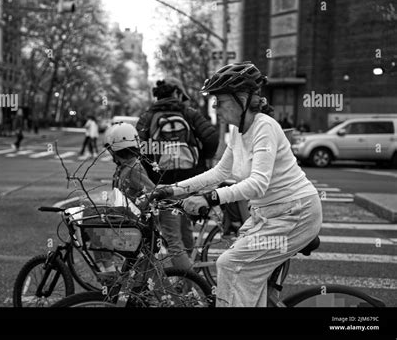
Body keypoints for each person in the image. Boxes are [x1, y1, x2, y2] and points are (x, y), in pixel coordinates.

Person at [151, 62, 322, 307]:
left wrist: (209, 198)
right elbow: (220, 172)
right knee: (245, 278)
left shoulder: (265, 127)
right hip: (268, 215)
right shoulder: (238, 132)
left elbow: (258, 184)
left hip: (296, 213)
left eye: (219, 101)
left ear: (241, 99)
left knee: (230, 264)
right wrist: (173, 189)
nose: (214, 107)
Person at [136, 77, 219, 271]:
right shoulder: (188, 113)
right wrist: (202, 161)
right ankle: (192, 281)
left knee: (172, 237)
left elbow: (138, 149)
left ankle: (189, 284)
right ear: (176, 93)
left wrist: (150, 172)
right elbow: (212, 137)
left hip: (162, 182)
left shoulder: (148, 117)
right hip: (189, 179)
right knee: (184, 226)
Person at [95, 122, 155, 272]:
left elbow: (151, 192)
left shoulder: (133, 169)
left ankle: (110, 277)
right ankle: (111, 276)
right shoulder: (124, 167)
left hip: (133, 227)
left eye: (109, 149)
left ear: (116, 149)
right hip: (125, 222)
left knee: (98, 235)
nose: (109, 153)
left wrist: (137, 205)